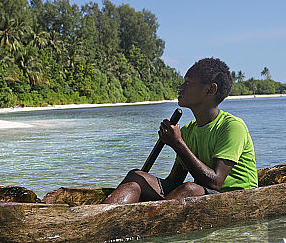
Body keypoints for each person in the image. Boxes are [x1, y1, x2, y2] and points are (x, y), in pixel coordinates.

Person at [103, 57, 258, 204]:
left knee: (189, 189)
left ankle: (148, 222)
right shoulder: (188, 131)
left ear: (210, 90)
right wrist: (142, 186)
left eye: (188, 83)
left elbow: (215, 183)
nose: (180, 88)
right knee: (136, 176)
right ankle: (100, 216)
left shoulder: (232, 127)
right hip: (204, 194)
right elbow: (174, 181)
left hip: (234, 197)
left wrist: (177, 143)